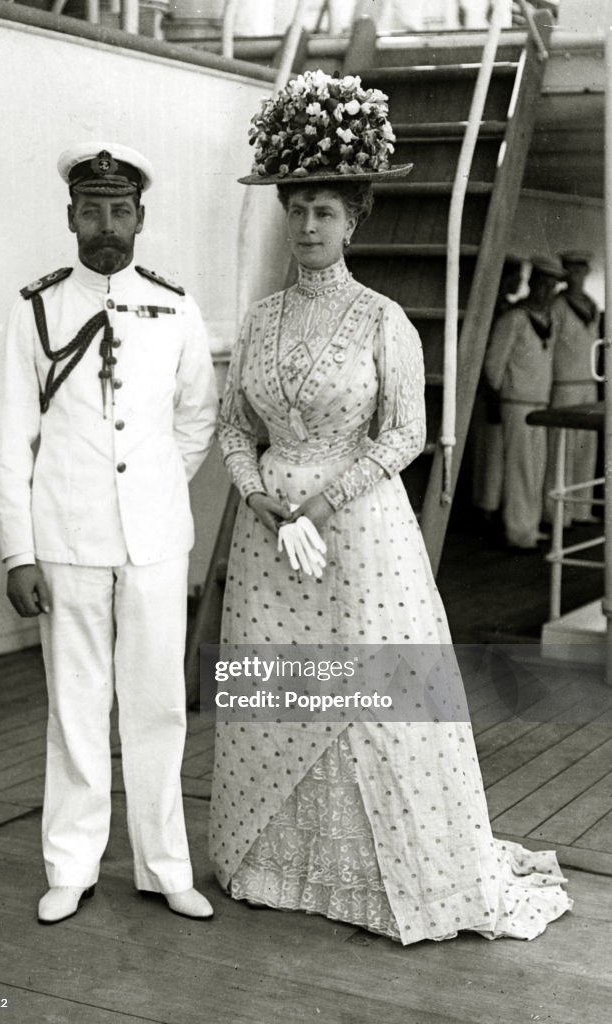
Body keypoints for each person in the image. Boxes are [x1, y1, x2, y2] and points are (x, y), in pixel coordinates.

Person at [208, 71, 571, 944]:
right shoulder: (258, 322)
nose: (306, 226)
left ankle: (389, 874)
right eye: (295, 208)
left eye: (323, 211)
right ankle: (273, 863)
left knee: (372, 693)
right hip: (270, 541)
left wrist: (320, 503)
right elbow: (231, 428)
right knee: (279, 694)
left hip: (356, 533)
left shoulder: (382, 322)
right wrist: (260, 497)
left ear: (354, 219)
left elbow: (404, 434)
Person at [0, 142, 218, 924]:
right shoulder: (36, 309)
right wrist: (19, 551)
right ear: (70, 218)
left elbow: (196, 416)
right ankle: (71, 865)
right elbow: (11, 437)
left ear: (141, 218)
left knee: (158, 707)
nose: (106, 225)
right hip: (66, 542)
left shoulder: (176, 305)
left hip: (155, 541)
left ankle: (164, 867)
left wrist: (153, 488)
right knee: (76, 708)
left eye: (120, 210)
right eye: (92, 210)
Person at [484, 256, 565, 550]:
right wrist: (503, 393)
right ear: (531, 284)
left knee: (536, 467)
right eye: (542, 284)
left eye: (552, 286)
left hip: (540, 404)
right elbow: (494, 365)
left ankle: (529, 526)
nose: (546, 291)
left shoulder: (550, 319)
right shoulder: (514, 319)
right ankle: (518, 531)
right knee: (519, 468)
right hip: (516, 403)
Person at [544, 250, 601, 525]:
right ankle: (559, 514)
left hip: (588, 383)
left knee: (585, 448)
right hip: (564, 384)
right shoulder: (557, 305)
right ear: (566, 274)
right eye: (572, 271)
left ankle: (582, 509)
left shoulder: (592, 305)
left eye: (581, 271)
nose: (576, 276)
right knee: (562, 450)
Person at [472, 255, 523, 528]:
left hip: (500, 390)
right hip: (486, 391)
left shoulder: (509, 308)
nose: (519, 283)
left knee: (496, 452)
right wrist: (490, 392)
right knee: (488, 452)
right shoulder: (491, 309)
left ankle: (491, 506)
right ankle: (485, 509)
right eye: (515, 277)